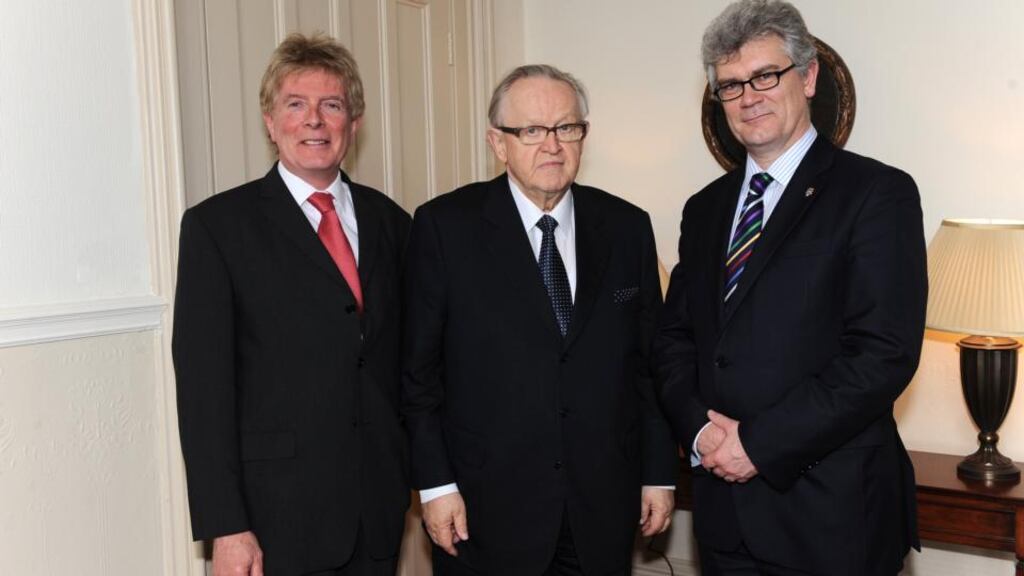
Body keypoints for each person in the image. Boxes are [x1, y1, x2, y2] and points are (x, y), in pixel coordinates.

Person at [655, 1, 926, 574]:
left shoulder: (877, 194)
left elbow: (882, 355)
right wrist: (702, 434)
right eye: (730, 85)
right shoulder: (703, 211)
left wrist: (758, 443)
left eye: (765, 75)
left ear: (807, 77)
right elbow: (674, 340)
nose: (749, 96)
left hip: (831, 517)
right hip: (725, 517)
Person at [401, 64, 678, 576]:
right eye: (531, 130)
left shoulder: (626, 228)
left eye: (567, 127)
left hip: (601, 508)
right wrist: (436, 486)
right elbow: (420, 375)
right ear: (498, 143)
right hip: (484, 513)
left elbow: (649, 368)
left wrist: (658, 474)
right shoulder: (445, 228)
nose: (552, 144)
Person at [173, 33, 410, 576]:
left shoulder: (393, 224)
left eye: (332, 105)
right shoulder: (218, 229)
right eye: (296, 105)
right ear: (270, 120)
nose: (315, 121)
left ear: (354, 121)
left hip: (376, 509)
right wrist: (226, 526)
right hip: (273, 518)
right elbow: (204, 390)